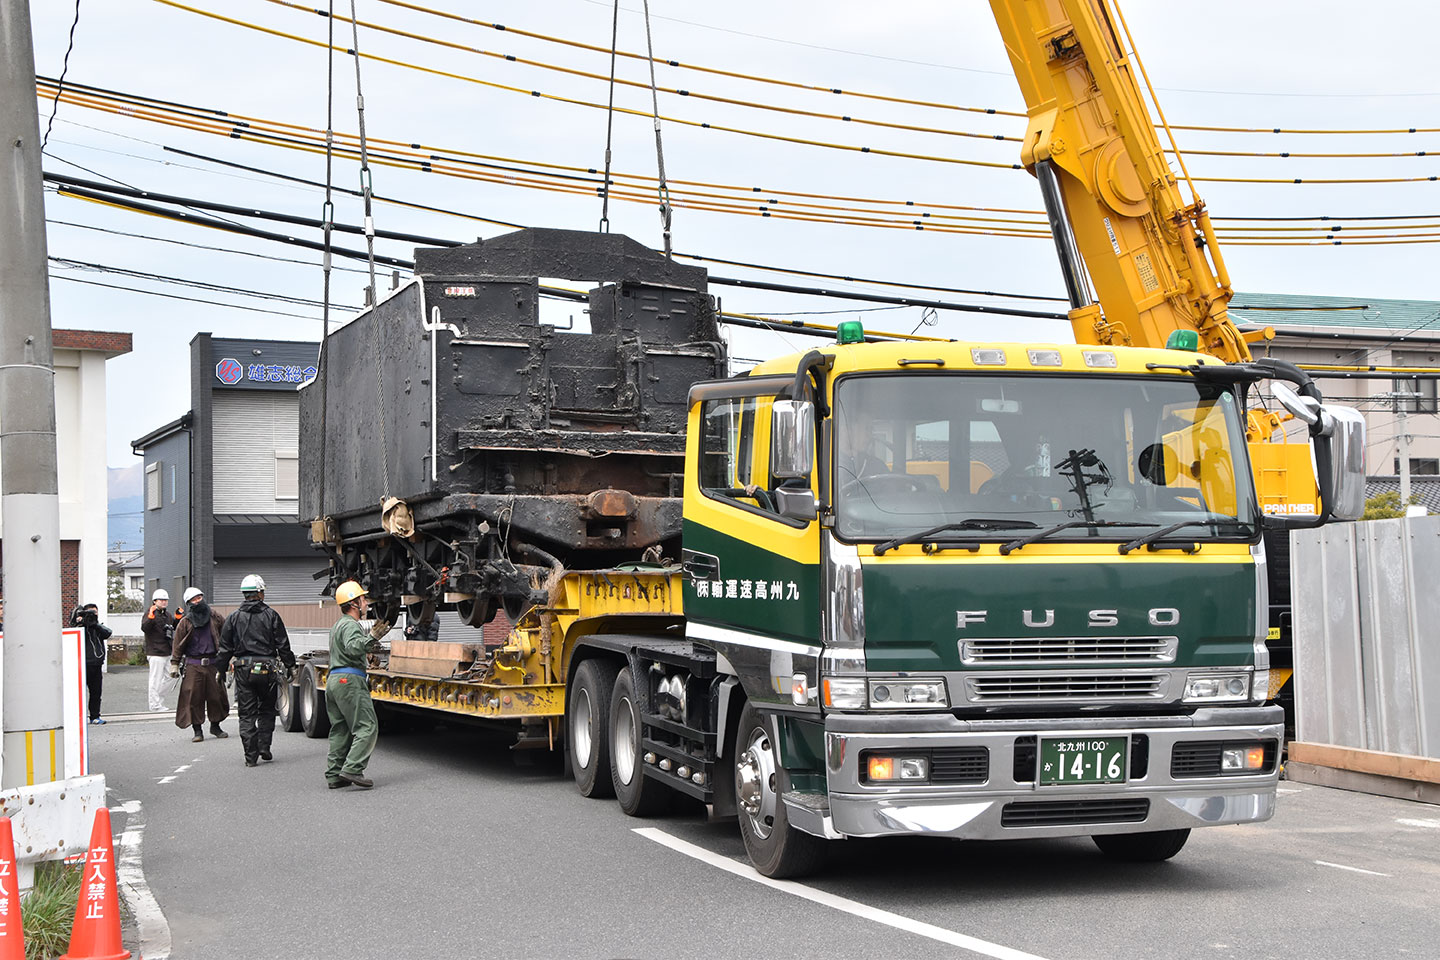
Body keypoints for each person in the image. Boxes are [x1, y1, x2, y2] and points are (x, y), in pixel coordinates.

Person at [217, 574, 296, 767]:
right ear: (260, 593)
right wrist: (290, 665)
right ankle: (264, 747)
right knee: (267, 710)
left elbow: (225, 648)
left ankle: (250, 757)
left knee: (247, 713)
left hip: (243, 668)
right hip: (267, 669)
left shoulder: (233, 617)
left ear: (244, 594)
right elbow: (283, 644)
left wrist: (220, 670)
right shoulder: (271, 615)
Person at [325, 580, 383, 790]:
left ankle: (334, 775)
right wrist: (372, 638)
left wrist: (367, 652)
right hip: (349, 681)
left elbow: (344, 648)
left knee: (341, 729)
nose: (367, 603)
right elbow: (352, 648)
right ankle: (352, 768)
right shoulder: (351, 625)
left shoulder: (338, 625)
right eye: (363, 599)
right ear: (354, 604)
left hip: (334, 681)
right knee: (367, 726)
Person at [169, 586, 230, 742]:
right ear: (189, 603)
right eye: (194, 599)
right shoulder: (185, 622)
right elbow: (177, 644)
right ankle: (197, 730)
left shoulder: (215, 616)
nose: (198, 601)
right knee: (193, 697)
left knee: (216, 695)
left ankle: (215, 726)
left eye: (199, 597)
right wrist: (174, 663)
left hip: (213, 663)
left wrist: (229, 658)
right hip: (193, 664)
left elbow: (226, 636)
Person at [74, 603, 112, 724]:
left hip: (96, 664)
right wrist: (79, 622)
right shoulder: (80, 627)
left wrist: (94, 624)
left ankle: (95, 716)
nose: (92, 615)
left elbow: (108, 633)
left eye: (95, 612)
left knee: (96, 693)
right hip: (83, 664)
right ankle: (78, 717)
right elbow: (72, 630)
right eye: (90, 613)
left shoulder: (98, 627)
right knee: (79, 693)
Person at [141, 589, 177, 712]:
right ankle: (154, 705)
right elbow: (145, 628)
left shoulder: (167, 615)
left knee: (173, 677)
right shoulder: (150, 613)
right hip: (155, 651)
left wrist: (177, 618)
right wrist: (150, 617)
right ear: (154, 601)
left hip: (167, 650)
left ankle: (158, 700)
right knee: (155, 680)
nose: (164, 602)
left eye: (165, 600)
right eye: (161, 600)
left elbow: (173, 627)